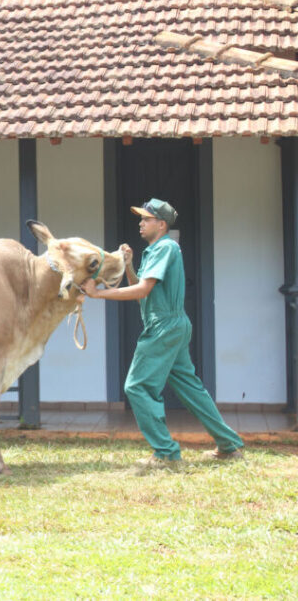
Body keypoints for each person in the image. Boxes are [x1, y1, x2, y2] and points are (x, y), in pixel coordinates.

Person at [82, 198, 244, 469]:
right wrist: (130, 264)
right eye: (141, 218)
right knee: (192, 390)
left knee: (137, 386)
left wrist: (98, 294)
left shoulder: (165, 247)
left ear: (161, 224)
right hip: (173, 326)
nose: (140, 223)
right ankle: (228, 445)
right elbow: (142, 290)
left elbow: (142, 291)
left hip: (163, 327)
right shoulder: (157, 250)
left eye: (146, 219)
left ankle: (166, 452)